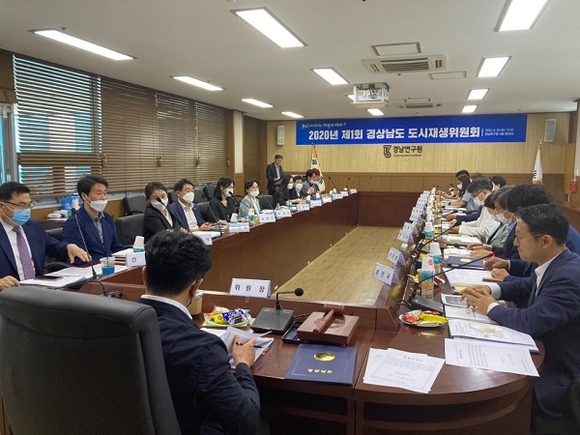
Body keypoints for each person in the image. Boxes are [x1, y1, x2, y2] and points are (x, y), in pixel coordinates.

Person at [461, 204, 580, 419]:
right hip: (543, 353)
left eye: (520, 236)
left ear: (545, 241)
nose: (515, 243)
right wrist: (490, 290)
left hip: (557, 374)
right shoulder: (557, 262)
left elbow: (530, 321)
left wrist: (489, 306)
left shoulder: (568, 276)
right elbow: (526, 286)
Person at [139, 231, 261, 434]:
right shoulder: (203, 348)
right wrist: (242, 366)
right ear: (195, 287)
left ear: (144, 275)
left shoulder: (110, 326)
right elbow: (248, 424)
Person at [0, 181, 89, 290]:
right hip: (8, 294)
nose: (26, 210)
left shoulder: (33, 226)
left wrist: (68, 247)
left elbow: (52, 246)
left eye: (29, 205)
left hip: (38, 290)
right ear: (2, 206)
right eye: (22, 205)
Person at [484, 183, 580, 281]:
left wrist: (508, 279)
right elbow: (531, 268)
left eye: (518, 216)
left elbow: (539, 282)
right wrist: (509, 264)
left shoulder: (563, 240)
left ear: (534, 211)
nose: (517, 219)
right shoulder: (546, 229)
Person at [63, 174, 124, 265]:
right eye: (99, 193)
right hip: (90, 267)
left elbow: (116, 247)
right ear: (84, 196)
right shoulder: (74, 222)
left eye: (105, 193)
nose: (103, 197)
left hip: (111, 265)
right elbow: (79, 257)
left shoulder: (107, 218)